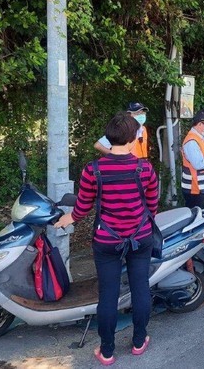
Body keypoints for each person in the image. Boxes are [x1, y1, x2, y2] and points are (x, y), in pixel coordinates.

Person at [55, 112, 159, 365]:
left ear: (110, 137)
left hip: (107, 240)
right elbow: (152, 205)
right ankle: (138, 341)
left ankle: (108, 351)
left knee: (108, 294)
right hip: (140, 237)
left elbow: (82, 206)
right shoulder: (144, 167)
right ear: (134, 138)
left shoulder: (93, 169)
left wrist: (68, 219)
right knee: (140, 288)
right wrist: (139, 222)